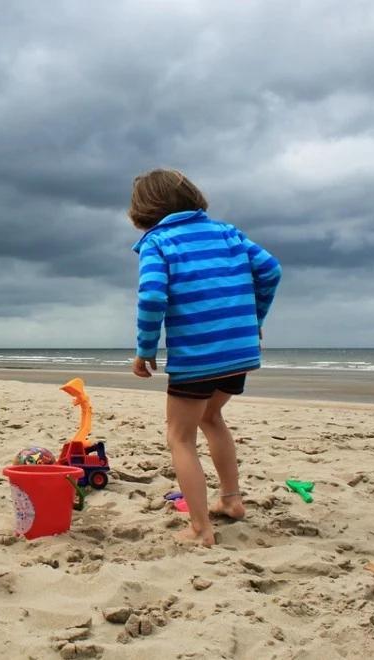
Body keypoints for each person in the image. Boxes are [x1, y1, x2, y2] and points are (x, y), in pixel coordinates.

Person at [127, 169, 281, 546]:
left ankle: (200, 528)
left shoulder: (158, 242)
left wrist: (145, 348)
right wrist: (254, 320)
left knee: (180, 435)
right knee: (212, 416)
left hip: (198, 354)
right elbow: (270, 270)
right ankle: (231, 500)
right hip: (239, 351)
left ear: (144, 210)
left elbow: (151, 296)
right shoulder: (228, 232)